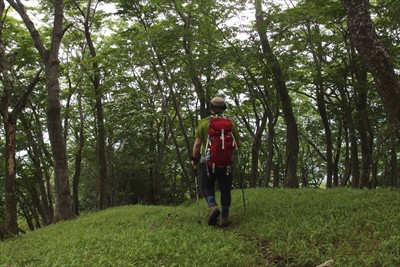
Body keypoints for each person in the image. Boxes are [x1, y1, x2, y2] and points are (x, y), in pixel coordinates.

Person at [191, 97, 242, 226]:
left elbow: (197, 144)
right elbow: (239, 143)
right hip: (226, 163)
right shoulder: (230, 124)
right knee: (225, 189)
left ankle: (213, 206)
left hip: (208, 162)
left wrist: (194, 159)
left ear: (210, 108)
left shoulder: (203, 123)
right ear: (224, 108)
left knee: (206, 186)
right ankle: (224, 217)